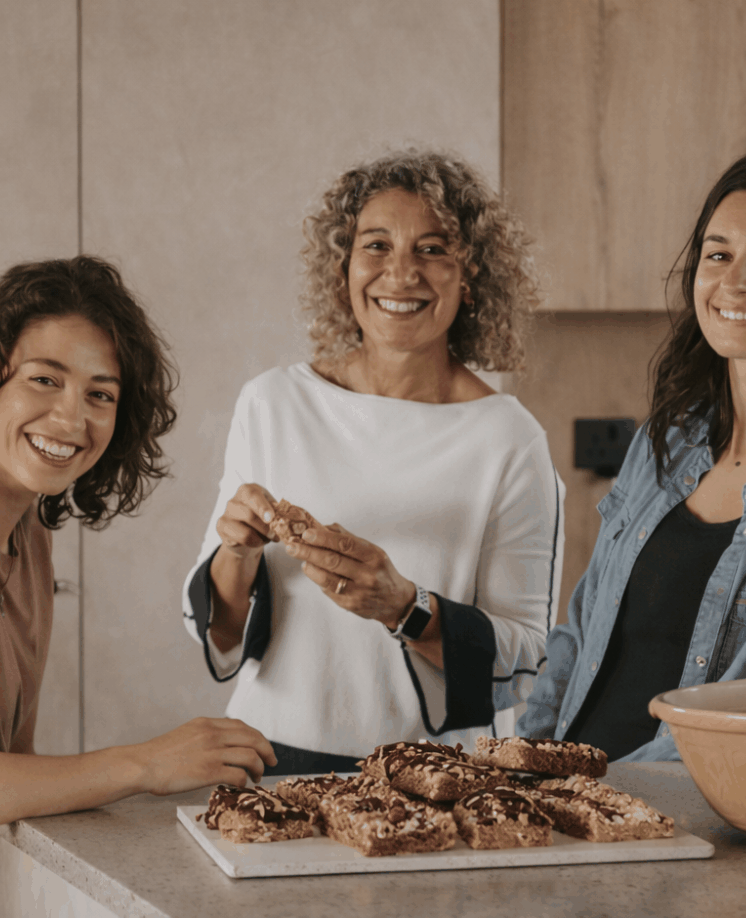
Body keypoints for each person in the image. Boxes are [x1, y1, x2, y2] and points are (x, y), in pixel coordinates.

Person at [0, 257, 275, 915]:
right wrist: (150, 764)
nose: (72, 420)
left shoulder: (25, 523)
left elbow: (6, 770)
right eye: (45, 379)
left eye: (101, 394)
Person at [183, 150, 564, 775]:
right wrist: (237, 552)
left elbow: (526, 656)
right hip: (264, 756)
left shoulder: (509, 438)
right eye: (377, 245)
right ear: (344, 268)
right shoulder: (272, 402)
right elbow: (217, 630)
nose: (401, 272)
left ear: (471, 277)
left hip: (430, 776)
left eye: (433, 249)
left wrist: (403, 606)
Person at [519, 149, 746, 761]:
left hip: (685, 835)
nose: (736, 281)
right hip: (568, 808)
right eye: (719, 255)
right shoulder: (667, 441)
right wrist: (529, 761)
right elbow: (581, 630)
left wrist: (597, 795)